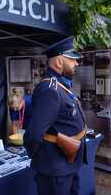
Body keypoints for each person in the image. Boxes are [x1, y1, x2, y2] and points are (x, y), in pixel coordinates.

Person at [24, 36, 86, 195]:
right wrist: (42, 158)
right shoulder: (49, 89)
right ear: (59, 61)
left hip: (68, 161)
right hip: (55, 168)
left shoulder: (61, 85)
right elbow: (33, 134)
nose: (76, 63)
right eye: (72, 59)